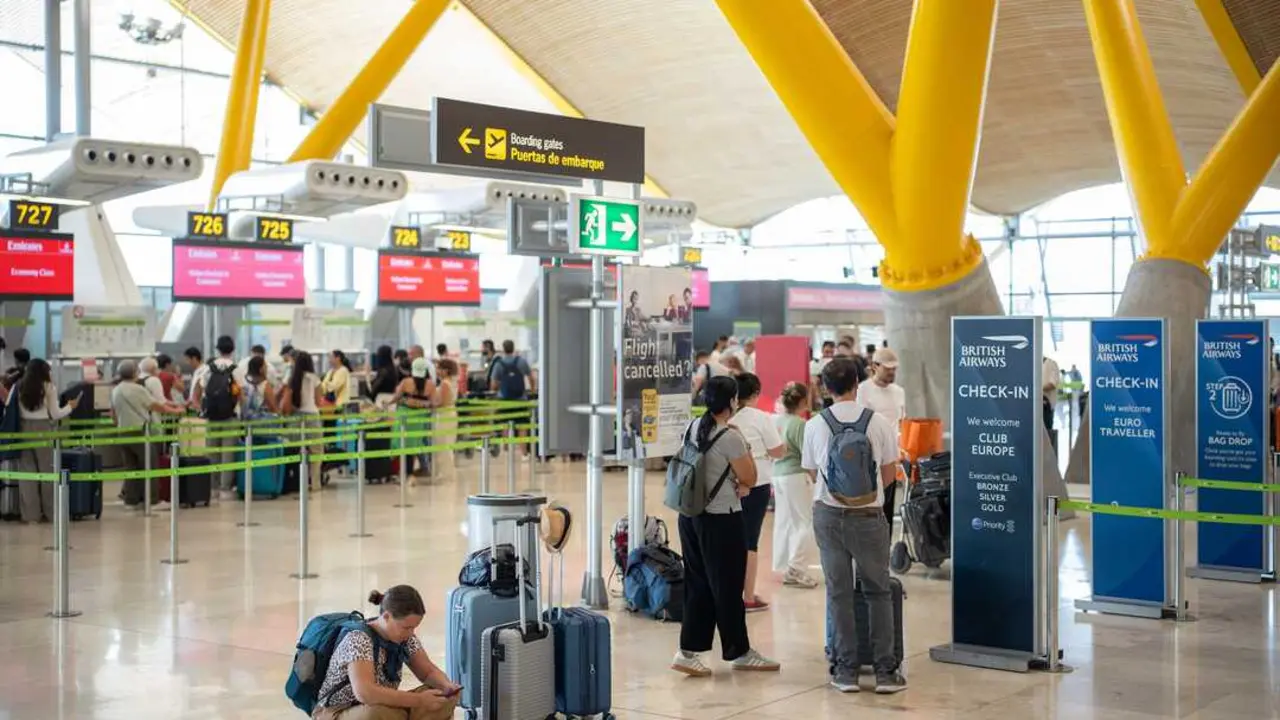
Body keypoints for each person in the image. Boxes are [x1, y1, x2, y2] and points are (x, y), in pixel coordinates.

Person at [803, 357, 906, 694]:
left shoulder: (815, 425)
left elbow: (813, 473)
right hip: (869, 518)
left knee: (839, 592)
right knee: (878, 591)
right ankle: (885, 672)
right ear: (857, 383)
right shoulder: (878, 423)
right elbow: (889, 475)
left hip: (829, 517)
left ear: (825, 387)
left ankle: (845, 671)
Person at [671, 376, 781, 677]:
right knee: (729, 586)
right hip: (721, 519)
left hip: (690, 517)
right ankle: (739, 651)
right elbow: (750, 477)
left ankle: (688, 651)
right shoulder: (730, 437)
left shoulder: (693, 427)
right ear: (732, 402)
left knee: (698, 582)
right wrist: (743, 447)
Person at [312, 585, 460, 720]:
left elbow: (427, 672)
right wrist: (419, 701)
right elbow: (366, 693)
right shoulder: (359, 638)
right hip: (339, 711)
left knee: (439, 697)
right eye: (406, 627)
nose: (410, 633)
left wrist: (446, 686)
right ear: (386, 616)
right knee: (375, 714)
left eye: (414, 628)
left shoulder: (405, 639)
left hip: (381, 705)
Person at [731, 373, 785, 612]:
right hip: (757, 483)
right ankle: (748, 595)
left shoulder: (725, 416)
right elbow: (777, 451)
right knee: (749, 541)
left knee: (727, 539)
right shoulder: (760, 418)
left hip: (727, 485)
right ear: (755, 394)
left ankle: (726, 591)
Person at [9, 359, 76, 523]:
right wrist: (70, 407)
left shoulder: (18, 386)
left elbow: (8, 406)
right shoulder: (48, 387)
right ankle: (51, 513)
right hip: (43, 430)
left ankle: (30, 515)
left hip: (23, 430)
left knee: (26, 473)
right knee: (47, 471)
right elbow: (55, 413)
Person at [111, 360, 183, 510]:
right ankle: (152, 501)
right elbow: (155, 405)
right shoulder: (138, 389)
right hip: (139, 432)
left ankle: (131, 500)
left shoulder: (116, 390)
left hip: (122, 433)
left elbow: (113, 414)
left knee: (131, 467)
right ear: (135, 373)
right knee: (150, 465)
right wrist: (175, 411)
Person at [772, 382, 819, 589]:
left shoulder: (776, 421)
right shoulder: (799, 424)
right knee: (805, 523)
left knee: (785, 522)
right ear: (801, 401)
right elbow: (807, 457)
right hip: (795, 476)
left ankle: (784, 565)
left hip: (778, 475)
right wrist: (816, 478)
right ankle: (796, 568)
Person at [858, 347, 907, 525]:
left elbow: (901, 422)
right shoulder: (862, 390)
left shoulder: (899, 392)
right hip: (869, 457)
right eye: (887, 369)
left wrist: (901, 447)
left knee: (887, 504)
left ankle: (884, 548)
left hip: (892, 456)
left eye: (894, 369)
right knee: (869, 506)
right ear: (875, 366)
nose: (892, 372)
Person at [191, 336, 240, 501]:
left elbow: (196, 393)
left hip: (211, 416)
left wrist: (201, 409)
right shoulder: (236, 368)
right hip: (230, 416)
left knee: (212, 451)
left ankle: (213, 487)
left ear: (217, 349)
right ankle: (225, 489)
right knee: (228, 452)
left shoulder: (207, 368)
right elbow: (241, 393)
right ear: (232, 349)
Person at [281, 352, 325, 488]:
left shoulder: (292, 378)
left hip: (295, 418)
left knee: (294, 451)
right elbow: (318, 401)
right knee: (316, 452)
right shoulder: (315, 378)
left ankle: (296, 483)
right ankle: (315, 484)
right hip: (312, 416)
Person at [396, 358, 437, 480]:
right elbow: (433, 403)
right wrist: (422, 404)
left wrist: (406, 401)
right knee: (416, 444)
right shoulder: (430, 384)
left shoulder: (406, 382)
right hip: (420, 418)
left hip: (404, 417)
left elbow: (397, 397)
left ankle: (405, 473)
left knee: (403, 444)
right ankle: (415, 471)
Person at [432, 359, 459, 484]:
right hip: (451, 413)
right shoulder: (453, 382)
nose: (437, 371)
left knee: (442, 444)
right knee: (448, 444)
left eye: (439, 368)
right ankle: (447, 474)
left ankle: (446, 474)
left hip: (444, 415)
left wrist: (427, 404)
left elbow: (440, 402)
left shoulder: (444, 384)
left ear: (445, 370)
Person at [241, 356, 278, 420]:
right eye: (265, 366)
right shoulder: (265, 385)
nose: (266, 368)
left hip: (247, 419)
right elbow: (273, 407)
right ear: (261, 369)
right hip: (260, 422)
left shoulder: (245, 383)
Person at [368, 345, 400, 411]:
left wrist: (367, 375)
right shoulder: (393, 369)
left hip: (381, 400)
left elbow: (373, 389)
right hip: (392, 400)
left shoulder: (383, 371)